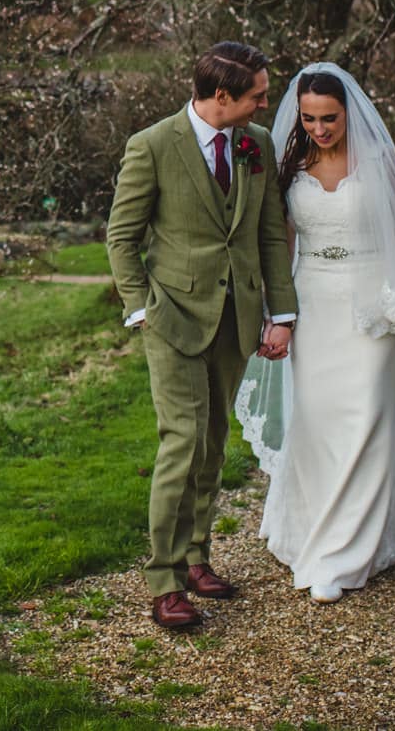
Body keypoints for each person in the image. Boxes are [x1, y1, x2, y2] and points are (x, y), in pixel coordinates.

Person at [234, 63, 395, 604]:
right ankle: (310, 528)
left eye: (329, 118)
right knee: (318, 421)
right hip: (313, 305)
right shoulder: (290, 162)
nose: (319, 129)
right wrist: (277, 317)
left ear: (350, 113)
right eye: (309, 118)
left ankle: (344, 554)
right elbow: (276, 247)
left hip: (371, 309)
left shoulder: (377, 162)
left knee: (366, 421)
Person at [107, 41, 300, 630]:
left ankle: (197, 559)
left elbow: (270, 235)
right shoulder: (152, 145)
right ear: (222, 97)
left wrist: (281, 314)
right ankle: (164, 581)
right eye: (258, 95)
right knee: (181, 444)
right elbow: (121, 238)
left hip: (235, 319)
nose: (267, 103)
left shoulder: (256, 143)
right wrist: (141, 310)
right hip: (172, 320)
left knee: (213, 444)